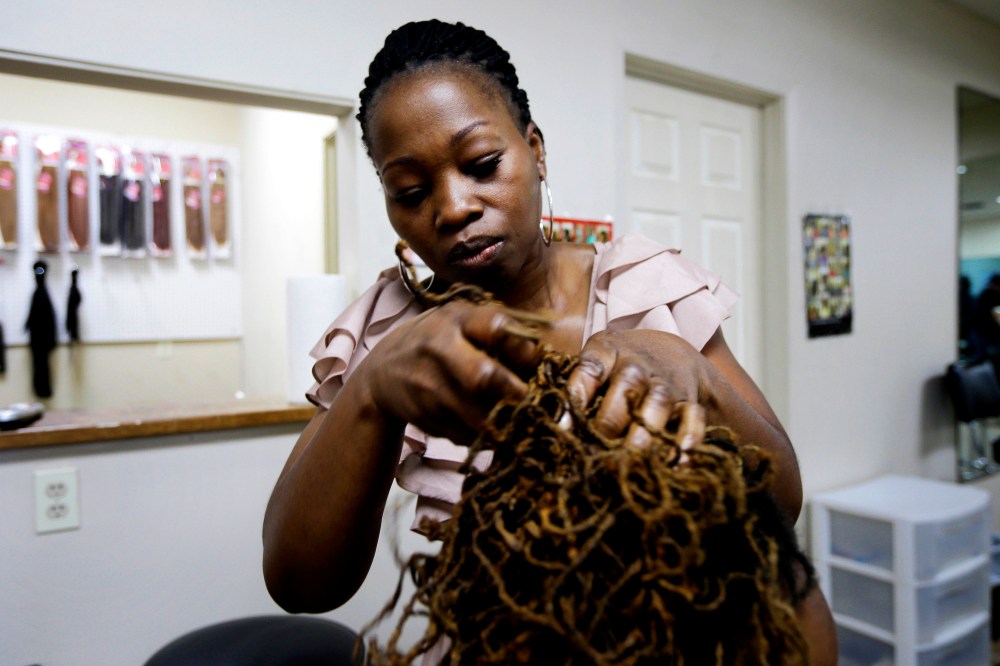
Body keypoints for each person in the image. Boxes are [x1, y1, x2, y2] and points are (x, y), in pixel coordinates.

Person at [263, 19, 836, 663]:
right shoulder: (388, 332)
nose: (452, 208)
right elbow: (299, 584)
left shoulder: (639, 290)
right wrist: (371, 391)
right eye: (411, 192)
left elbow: (781, 503)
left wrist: (686, 369)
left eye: (482, 165)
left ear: (534, 150)